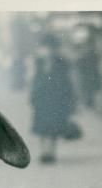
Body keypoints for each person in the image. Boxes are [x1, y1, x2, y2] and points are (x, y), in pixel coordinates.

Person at [29, 35, 77, 164]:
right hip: (42, 99)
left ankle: (51, 152)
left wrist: (70, 100)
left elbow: (68, 82)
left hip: (57, 99)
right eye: (46, 47)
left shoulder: (63, 62)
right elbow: (34, 80)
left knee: (54, 127)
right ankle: (45, 151)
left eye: (51, 48)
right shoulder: (38, 62)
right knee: (42, 127)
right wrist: (33, 96)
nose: (48, 50)